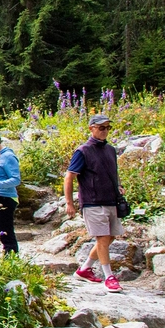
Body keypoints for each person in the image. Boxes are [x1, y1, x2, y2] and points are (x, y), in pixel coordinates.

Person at [65, 114, 125, 293]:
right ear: (91, 128)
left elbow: (113, 172)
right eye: (101, 127)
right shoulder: (82, 151)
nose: (105, 131)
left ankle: (85, 268)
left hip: (111, 200)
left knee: (110, 237)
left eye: (107, 127)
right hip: (92, 202)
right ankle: (109, 277)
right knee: (103, 239)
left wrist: (119, 186)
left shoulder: (110, 150)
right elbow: (69, 176)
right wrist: (69, 202)